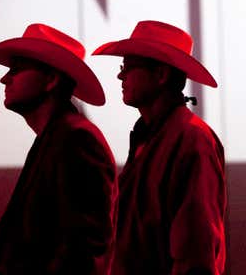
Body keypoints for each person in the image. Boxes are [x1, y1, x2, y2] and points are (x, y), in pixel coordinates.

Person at [0, 23, 117, 275]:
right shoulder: (58, 137)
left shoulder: (76, 140)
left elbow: (84, 252)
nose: (4, 78)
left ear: (51, 80)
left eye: (17, 69)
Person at [93, 20, 226, 275]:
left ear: (162, 75)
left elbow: (196, 251)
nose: (120, 75)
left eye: (129, 67)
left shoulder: (192, 139)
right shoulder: (151, 136)